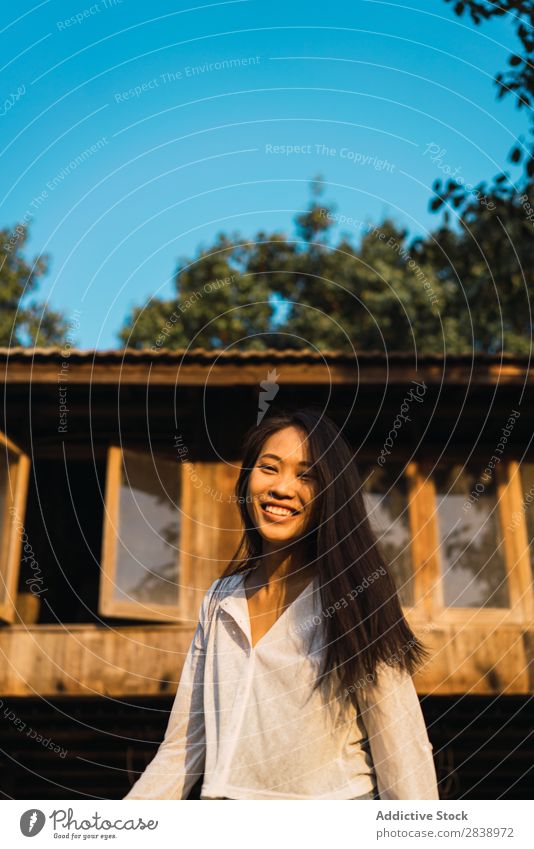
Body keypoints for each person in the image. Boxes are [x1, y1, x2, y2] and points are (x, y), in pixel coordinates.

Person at [124, 407, 439, 800]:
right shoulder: (221, 602)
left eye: (306, 475)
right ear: (246, 480)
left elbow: (403, 754)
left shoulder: (355, 599)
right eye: (269, 468)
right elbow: (183, 748)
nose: (282, 489)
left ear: (332, 492)